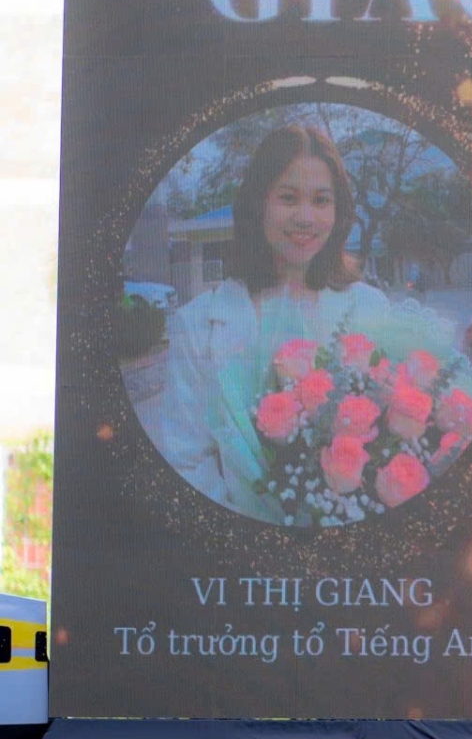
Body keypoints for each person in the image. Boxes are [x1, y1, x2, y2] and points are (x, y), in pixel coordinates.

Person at [151, 124, 387, 521]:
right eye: (288, 198)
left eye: (321, 200)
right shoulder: (198, 324)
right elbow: (186, 460)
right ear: (258, 203)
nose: (305, 217)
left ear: (339, 211)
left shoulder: (370, 308)